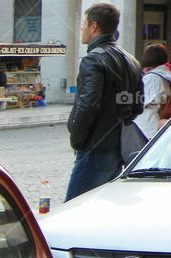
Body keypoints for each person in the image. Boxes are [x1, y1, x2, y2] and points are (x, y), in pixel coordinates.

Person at [65, 3, 143, 202]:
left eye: (84, 24)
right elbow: (137, 105)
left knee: (73, 209)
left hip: (95, 146)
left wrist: (77, 138)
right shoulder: (131, 60)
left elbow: (88, 104)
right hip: (118, 147)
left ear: (93, 26)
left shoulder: (93, 60)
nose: (81, 28)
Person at [137, 43, 171, 138]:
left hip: (147, 127)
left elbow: (142, 102)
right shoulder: (164, 76)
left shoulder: (152, 78)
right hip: (156, 122)